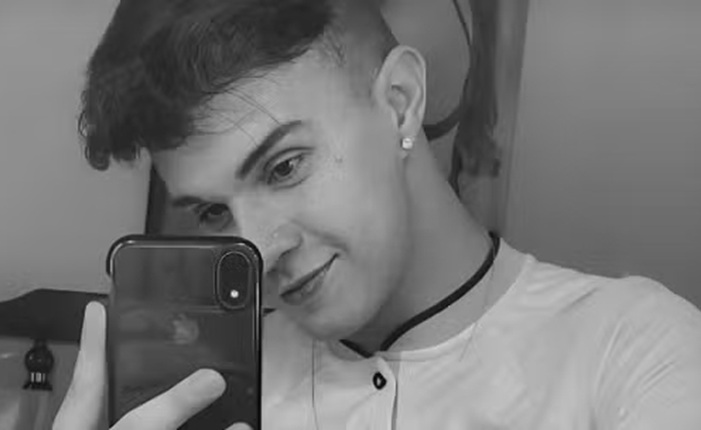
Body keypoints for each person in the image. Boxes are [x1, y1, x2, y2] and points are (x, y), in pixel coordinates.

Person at [54, 0, 701, 429]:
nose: (258, 252)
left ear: (399, 101)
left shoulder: (632, 350)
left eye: (284, 167)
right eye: (212, 213)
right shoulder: (210, 392)